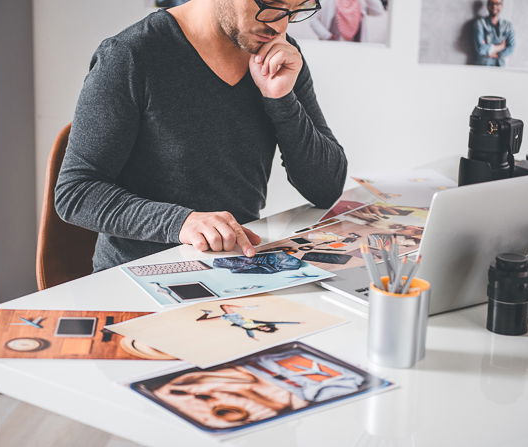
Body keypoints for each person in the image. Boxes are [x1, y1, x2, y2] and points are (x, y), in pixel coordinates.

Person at [55, 0, 348, 272]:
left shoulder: (277, 54)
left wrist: (282, 100)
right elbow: (76, 192)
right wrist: (181, 222)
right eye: (270, 3)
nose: (280, 26)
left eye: (296, 9)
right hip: (142, 276)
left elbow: (326, 189)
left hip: (238, 267)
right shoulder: (131, 55)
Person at [310, 0, 385, 42]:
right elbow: (313, 19)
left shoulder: (360, 3)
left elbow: (378, 11)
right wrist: (327, 36)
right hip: (333, 47)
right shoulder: (329, 2)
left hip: (356, 49)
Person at [473, 0, 516, 67]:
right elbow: (481, 48)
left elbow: (511, 48)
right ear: (487, 5)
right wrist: (501, 46)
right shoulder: (480, 23)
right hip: (483, 67)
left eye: (498, 4)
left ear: (502, 6)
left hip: (501, 66)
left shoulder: (508, 25)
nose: (494, 6)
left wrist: (494, 54)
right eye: (491, 3)